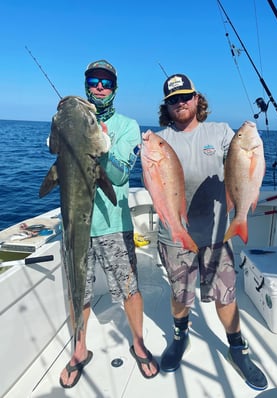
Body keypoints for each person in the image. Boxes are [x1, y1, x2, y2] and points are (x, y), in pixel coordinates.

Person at [154, 74, 268, 391]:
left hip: (218, 233)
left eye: (186, 96)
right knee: (181, 295)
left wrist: (246, 183)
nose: (181, 102)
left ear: (197, 99)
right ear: (167, 105)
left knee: (226, 295)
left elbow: (239, 164)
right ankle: (180, 338)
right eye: (174, 99)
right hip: (175, 236)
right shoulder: (160, 141)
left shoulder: (219, 132)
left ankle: (237, 348)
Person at [59, 60, 159, 388]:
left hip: (114, 224)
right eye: (93, 81)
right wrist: (64, 126)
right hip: (76, 225)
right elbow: (54, 154)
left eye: (106, 82)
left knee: (129, 289)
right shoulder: (71, 121)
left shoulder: (128, 126)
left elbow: (116, 176)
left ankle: (139, 342)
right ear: (86, 84)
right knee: (79, 290)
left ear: (114, 88)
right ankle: (79, 350)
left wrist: (97, 145)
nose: (99, 87)